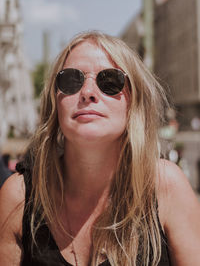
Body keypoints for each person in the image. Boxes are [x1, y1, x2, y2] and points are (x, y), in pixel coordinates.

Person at [0, 31, 200, 266]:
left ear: (134, 102)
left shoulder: (166, 186)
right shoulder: (19, 196)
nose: (87, 93)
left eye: (110, 81)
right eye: (71, 80)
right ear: (55, 103)